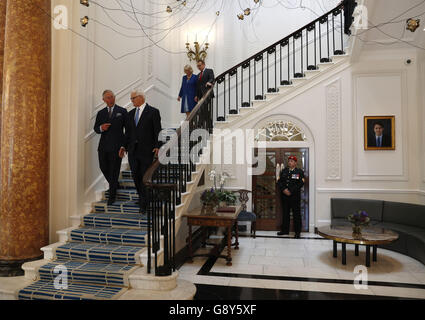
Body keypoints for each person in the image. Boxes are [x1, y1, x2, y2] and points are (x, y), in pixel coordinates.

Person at [119, 90, 162, 213]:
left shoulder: (153, 112)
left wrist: (158, 146)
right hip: (132, 151)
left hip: (147, 150)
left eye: (133, 98)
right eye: (131, 99)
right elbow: (128, 133)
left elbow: (158, 130)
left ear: (141, 97)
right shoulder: (130, 113)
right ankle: (142, 197)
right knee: (136, 176)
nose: (131, 101)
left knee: (144, 176)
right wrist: (123, 146)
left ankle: (144, 203)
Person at [94, 90, 127, 205]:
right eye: (108, 97)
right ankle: (115, 185)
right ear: (104, 100)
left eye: (112, 97)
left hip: (117, 147)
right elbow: (96, 129)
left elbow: (127, 131)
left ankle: (112, 196)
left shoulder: (122, 111)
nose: (111, 99)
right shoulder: (100, 113)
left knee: (114, 171)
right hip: (103, 147)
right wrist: (101, 128)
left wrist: (123, 146)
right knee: (103, 167)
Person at [277, 156, 305, 239]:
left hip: (294, 197)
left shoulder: (299, 172)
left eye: (292, 161)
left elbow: (301, 183)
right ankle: (285, 230)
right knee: (285, 214)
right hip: (285, 196)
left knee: (296, 215)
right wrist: (284, 189)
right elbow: (279, 181)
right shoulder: (284, 171)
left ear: (295, 163)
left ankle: (297, 232)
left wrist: (291, 191)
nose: (290, 162)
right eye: (289, 161)